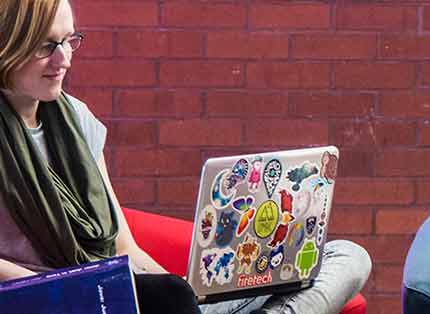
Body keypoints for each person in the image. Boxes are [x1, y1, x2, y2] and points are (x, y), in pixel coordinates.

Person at [0, 1, 371, 314]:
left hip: (130, 295)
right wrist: (59, 287)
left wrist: (182, 295)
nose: (63, 59)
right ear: (8, 44)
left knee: (347, 257)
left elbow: (122, 246)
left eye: (69, 40)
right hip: (60, 302)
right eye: (46, 46)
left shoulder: (77, 120)